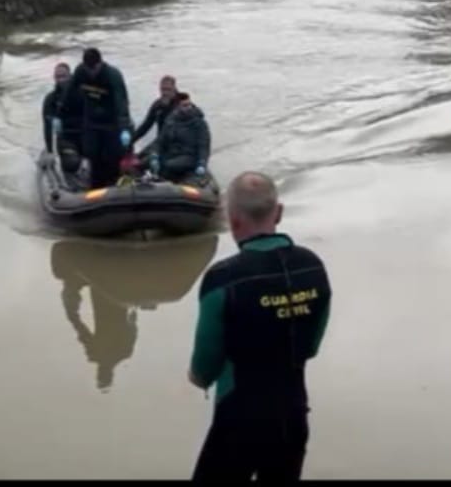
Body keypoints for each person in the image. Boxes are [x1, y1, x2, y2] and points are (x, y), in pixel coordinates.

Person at [188, 171, 332, 482]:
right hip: (293, 416)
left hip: (239, 419)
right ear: (278, 212)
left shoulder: (222, 279)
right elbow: (311, 347)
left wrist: (198, 377)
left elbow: (203, 370)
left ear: (233, 220)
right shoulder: (313, 266)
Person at [53, 47, 133, 189]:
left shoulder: (113, 76)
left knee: (111, 158)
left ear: (100, 64)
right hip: (91, 122)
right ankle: (96, 187)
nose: (91, 72)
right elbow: (68, 95)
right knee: (92, 156)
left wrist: (125, 128)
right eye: (87, 68)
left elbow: (122, 104)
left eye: (93, 69)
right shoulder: (81, 72)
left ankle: (114, 186)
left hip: (111, 123)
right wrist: (58, 116)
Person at [149, 93, 210, 183]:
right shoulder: (170, 122)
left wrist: (202, 162)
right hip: (173, 154)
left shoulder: (199, 124)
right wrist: (154, 154)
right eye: (184, 106)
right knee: (148, 162)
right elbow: (160, 141)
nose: (188, 108)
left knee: (169, 165)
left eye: (189, 105)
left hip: (189, 156)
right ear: (177, 107)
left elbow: (203, 145)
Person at [44, 62, 83, 174]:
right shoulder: (51, 99)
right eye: (58, 77)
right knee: (71, 164)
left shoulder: (82, 94)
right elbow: (47, 127)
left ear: (70, 76)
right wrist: (50, 151)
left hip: (86, 137)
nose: (61, 80)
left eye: (63, 76)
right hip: (66, 140)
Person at [134, 75, 179, 155]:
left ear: (174, 89)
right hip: (160, 143)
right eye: (162, 90)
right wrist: (130, 140)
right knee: (137, 159)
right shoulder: (157, 105)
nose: (165, 93)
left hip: (177, 145)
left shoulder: (182, 105)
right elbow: (145, 126)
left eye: (168, 90)